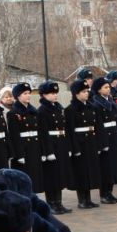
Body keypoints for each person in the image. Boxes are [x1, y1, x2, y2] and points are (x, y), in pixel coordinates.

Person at [64, 79, 101, 209]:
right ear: (76, 94)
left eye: (87, 91)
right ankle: (82, 200)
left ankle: (88, 199)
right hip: (80, 142)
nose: (86, 94)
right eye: (83, 92)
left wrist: (98, 144)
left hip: (91, 141)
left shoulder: (91, 107)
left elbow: (96, 126)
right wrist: (74, 147)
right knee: (81, 172)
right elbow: (70, 130)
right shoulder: (70, 110)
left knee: (90, 170)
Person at [37, 80, 72, 215]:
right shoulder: (42, 111)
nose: (55, 95)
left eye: (55, 93)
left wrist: (67, 146)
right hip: (51, 144)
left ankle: (59, 202)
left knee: (60, 174)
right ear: (44, 95)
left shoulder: (58, 108)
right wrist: (48, 151)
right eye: (51, 93)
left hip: (61, 142)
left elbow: (64, 128)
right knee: (51, 176)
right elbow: (43, 133)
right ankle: (51, 203)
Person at [5, 82, 45, 194]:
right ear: (18, 96)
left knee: (35, 179)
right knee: (24, 180)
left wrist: (42, 151)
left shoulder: (34, 111)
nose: (28, 95)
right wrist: (19, 154)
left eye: (29, 93)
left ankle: (33, 203)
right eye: (25, 93)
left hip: (34, 147)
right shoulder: (13, 113)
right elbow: (14, 136)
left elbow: (39, 133)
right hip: (23, 149)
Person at [89, 77, 117, 205]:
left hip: (113, 135)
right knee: (105, 167)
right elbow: (98, 124)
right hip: (104, 136)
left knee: (112, 165)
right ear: (98, 90)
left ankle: (110, 192)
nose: (108, 89)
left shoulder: (110, 101)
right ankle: (104, 194)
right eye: (105, 87)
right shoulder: (96, 103)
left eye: (109, 87)